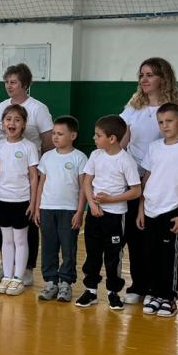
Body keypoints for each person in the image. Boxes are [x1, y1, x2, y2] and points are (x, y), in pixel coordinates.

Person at [120, 58, 178, 304]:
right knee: (136, 234)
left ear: (163, 78)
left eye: (150, 75)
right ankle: (139, 284)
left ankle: (159, 288)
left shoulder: (176, 109)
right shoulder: (133, 107)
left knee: (158, 239)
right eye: (142, 75)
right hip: (133, 178)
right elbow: (123, 141)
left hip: (160, 182)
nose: (144, 79)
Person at [135, 103, 178, 318]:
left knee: (170, 257)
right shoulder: (154, 147)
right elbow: (146, 178)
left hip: (172, 210)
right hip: (150, 210)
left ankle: (169, 297)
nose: (165, 126)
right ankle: (155, 293)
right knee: (151, 255)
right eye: (161, 122)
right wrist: (141, 208)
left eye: (169, 121)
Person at [0, 63, 54, 286]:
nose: (9, 86)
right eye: (6, 82)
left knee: (27, 225)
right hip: (6, 174)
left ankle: (26, 268)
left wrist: (39, 169)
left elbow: (48, 141)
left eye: (13, 82)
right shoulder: (0, 107)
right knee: (5, 228)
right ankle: (7, 265)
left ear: (25, 84)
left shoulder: (38, 108)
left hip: (27, 173)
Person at [77, 115, 142, 310]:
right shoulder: (95, 155)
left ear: (112, 138)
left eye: (98, 135)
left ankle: (114, 292)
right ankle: (91, 290)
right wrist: (92, 204)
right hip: (94, 214)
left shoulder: (126, 161)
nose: (94, 138)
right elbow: (87, 182)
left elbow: (136, 191)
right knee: (92, 252)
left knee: (113, 255)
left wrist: (110, 200)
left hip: (115, 216)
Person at [0, 104, 41, 297]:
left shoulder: (29, 147)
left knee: (20, 240)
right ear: (3, 123)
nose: (12, 123)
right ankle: (7, 275)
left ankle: (18, 278)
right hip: (3, 199)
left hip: (22, 200)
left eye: (17, 120)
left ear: (24, 124)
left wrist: (33, 202)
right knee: (7, 240)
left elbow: (33, 177)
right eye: (8, 119)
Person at [35, 116, 85, 303]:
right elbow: (41, 184)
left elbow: (83, 187)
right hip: (47, 208)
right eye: (54, 133)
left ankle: (66, 282)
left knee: (68, 248)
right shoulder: (47, 157)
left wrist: (80, 211)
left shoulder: (79, 157)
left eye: (60, 134)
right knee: (48, 246)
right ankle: (51, 282)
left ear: (73, 136)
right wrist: (37, 207)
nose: (55, 137)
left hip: (69, 210)